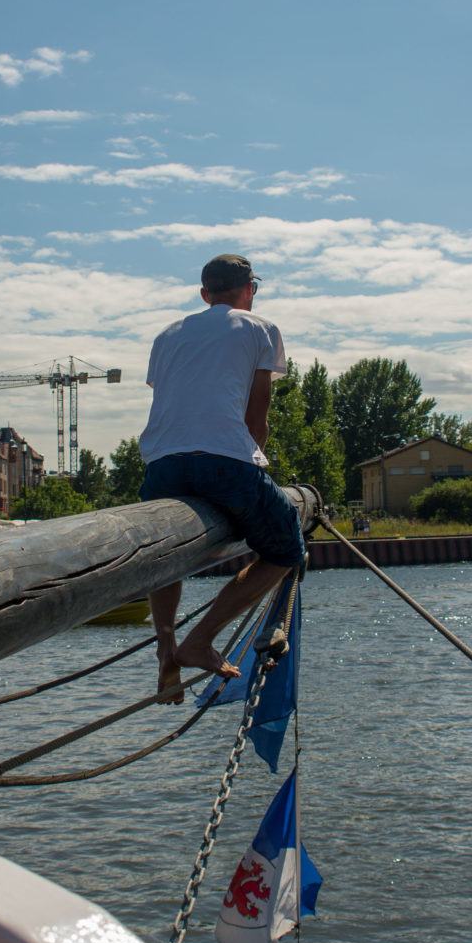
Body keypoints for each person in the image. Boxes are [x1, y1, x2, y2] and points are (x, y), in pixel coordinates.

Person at [139, 254, 306, 702]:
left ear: (203, 294)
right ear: (249, 290)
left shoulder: (167, 335)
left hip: (162, 465)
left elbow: (175, 399)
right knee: (286, 548)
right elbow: (257, 414)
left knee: (166, 556)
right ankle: (200, 640)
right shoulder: (260, 328)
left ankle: (166, 646)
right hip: (224, 460)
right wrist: (254, 467)